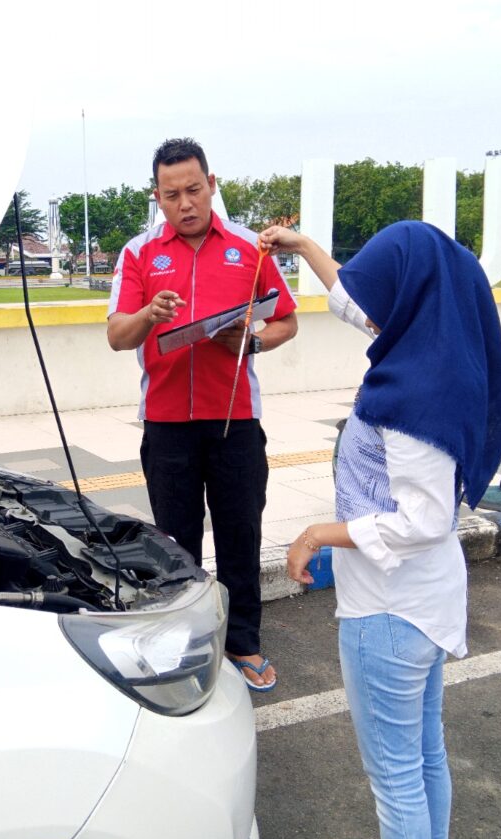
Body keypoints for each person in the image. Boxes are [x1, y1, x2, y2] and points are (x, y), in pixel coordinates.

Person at [260, 220, 501, 839]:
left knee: (396, 779)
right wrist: (305, 247)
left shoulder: (411, 393)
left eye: (379, 299)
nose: (369, 316)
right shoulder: (437, 351)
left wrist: (317, 534)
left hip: (389, 610)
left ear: (406, 297)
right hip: (425, 601)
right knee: (424, 758)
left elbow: (422, 520)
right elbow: (354, 302)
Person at [107, 137, 299, 692]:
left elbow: (286, 320)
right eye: (171, 195)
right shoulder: (139, 253)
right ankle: (183, 642)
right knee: (175, 543)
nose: (185, 203)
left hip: (235, 420)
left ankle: (242, 642)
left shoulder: (249, 248)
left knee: (241, 533)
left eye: (194, 189)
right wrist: (149, 314)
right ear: (157, 197)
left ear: (212, 184)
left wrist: (253, 339)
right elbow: (118, 335)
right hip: (167, 423)